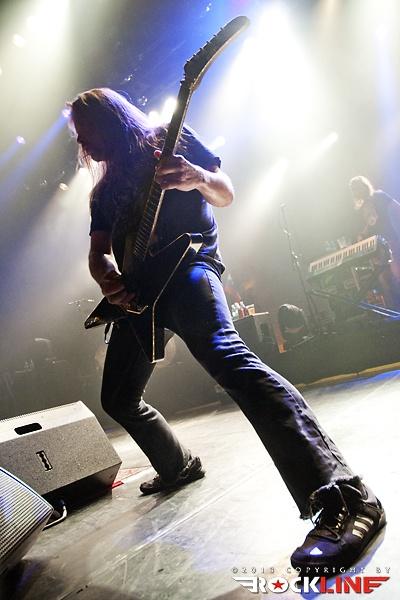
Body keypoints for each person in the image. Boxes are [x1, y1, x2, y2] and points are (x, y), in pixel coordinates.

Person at [68, 88, 385, 574]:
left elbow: (225, 192)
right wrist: (108, 278)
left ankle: (346, 496)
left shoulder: (167, 140)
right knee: (117, 398)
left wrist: (195, 176)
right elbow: (98, 253)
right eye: (79, 137)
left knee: (227, 357)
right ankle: (178, 465)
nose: (85, 144)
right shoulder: (103, 192)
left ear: (112, 119)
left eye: (89, 131)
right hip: (139, 296)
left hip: (188, 268)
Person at [349, 175, 400, 308]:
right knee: (385, 281)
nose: (356, 192)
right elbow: (370, 223)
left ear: (365, 186)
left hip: (391, 240)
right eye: (354, 190)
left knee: (397, 274)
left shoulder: (379, 196)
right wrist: (362, 235)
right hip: (378, 248)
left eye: (357, 188)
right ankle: (395, 310)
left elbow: (397, 208)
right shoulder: (362, 206)